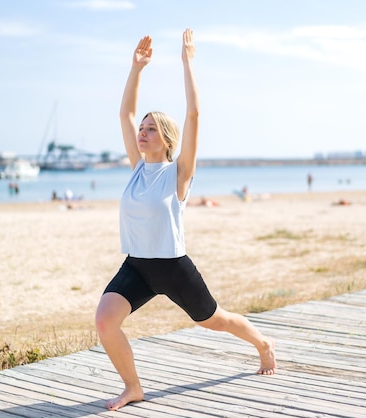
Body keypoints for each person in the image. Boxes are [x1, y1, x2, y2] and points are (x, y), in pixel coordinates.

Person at [94, 29, 276, 412]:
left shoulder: (179, 174)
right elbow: (124, 113)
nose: (142, 133)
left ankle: (262, 343)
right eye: (141, 130)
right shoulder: (136, 169)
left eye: (150, 129)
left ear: (166, 138)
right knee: (105, 322)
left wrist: (186, 61)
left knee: (216, 320)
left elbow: (194, 113)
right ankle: (133, 388)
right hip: (137, 266)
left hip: (174, 267)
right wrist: (136, 69)